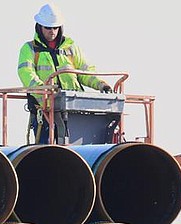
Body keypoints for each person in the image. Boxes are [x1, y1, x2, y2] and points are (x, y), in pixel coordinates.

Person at [17, 3, 111, 144]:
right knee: (46, 153)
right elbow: (26, 74)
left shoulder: (71, 48)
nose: (52, 31)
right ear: (39, 27)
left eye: (55, 27)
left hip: (74, 109)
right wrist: (46, 93)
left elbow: (85, 72)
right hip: (45, 111)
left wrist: (101, 85)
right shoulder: (29, 49)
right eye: (48, 27)